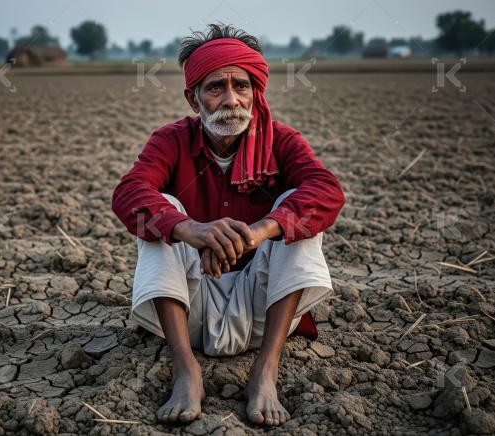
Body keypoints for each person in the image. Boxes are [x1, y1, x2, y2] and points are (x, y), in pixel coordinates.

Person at [111, 24, 345, 427]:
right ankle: (186, 370)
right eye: (216, 87)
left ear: (256, 93)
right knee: (160, 209)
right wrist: (191, 230)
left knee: (296, 209)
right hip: (190, 310)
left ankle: (266, 370)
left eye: (241, 86)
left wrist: (258, 231)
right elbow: (129, 193)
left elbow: (327, 191)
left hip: (261, 309)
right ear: (193, 97)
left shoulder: (282, 141)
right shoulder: (171, 140)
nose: (231, 100)